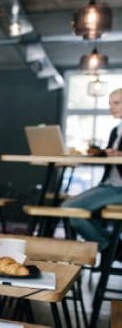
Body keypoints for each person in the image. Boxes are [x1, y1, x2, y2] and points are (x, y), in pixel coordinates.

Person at [65, 88, 122, 256]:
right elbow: (111, 155)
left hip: (118, 189)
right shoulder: (116, 130)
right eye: (110, 103)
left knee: (70, 208)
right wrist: (103, 153)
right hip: (109, 185)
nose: (111, 107)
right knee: (80, 212)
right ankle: (113, 248)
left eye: (116, 103)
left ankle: (112, 249)